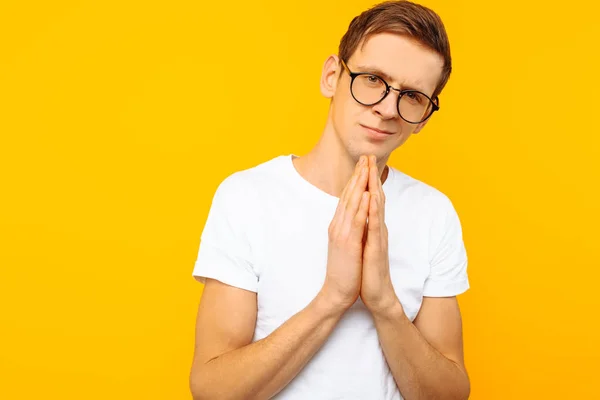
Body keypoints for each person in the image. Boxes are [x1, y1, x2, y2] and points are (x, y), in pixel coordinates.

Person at [189, 1, 470, 399]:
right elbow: (213, 390)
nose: (387, 109)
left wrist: (383, 302)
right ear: (332, 76)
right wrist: (333, 298)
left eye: (411, 96)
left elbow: (450, 394)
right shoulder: (247, 198)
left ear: (423, 117)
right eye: (372, 79)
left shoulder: (433, 213)